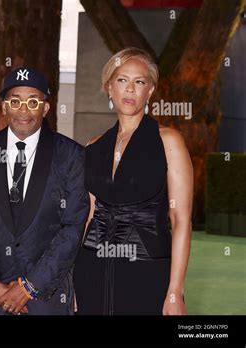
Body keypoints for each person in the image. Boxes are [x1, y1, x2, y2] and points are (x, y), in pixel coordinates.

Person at [0, 67, 89, 315]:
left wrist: (29, 287)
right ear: (4, 107)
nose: (24, 110)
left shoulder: (71, 155)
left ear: (46, 108)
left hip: (45, 298)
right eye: (15, 101)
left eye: (33, 101)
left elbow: (73, 227)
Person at [73, 47, 193, 315]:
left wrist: (175, 290)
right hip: (91, 268)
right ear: (109, 88)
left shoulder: (168, 141)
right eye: (122, 81)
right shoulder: (93, 146)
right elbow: (89, 214)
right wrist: (72, 279)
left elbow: (181, 219)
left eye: (139, 82)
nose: (130, 89)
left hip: (147, 270)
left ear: (150, 91)